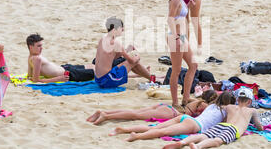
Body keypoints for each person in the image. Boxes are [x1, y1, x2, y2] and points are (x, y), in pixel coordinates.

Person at [164, 87, 264, 149]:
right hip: (233, 130)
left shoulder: (230, 107)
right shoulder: (252, 111)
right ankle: (198, 146)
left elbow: (218, 106)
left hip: (222, 125)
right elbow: (259, 126)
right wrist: (259, 127)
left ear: (238, 99)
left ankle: (182, 142)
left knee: (203, 136)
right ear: (250, 101)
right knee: (217, 141)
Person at [109, 91, 235, 142]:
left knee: (156, 127)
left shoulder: (211, 106)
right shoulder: (226, 110)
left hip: (187, 119)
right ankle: (136, 136)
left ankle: (123, 129)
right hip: (194, 125)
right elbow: (227, 123)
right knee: (163, 131)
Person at [87, 90, 218, 125]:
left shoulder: (196, 100)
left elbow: (186, 99)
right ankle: (106, 116)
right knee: (135, 116)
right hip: (170, 114)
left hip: (166, 107)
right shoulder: (205, 106)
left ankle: (103, 111)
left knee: (135, 112)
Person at [167, 0, 199, 111]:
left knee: (193, 65)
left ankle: (186, 98)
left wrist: (189, 7)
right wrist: (175, 37)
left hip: (182, 37)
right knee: (176, 70)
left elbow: (182, 17)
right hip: (175, 37)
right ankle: (175, 102)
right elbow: (170, 19)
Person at [94, 16, 152, 88]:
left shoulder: (102, 39)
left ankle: (149, 77)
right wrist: (137, 55)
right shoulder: (116, 43)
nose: (123, 30)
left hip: (99, 80)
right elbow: (132, 61)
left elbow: (113, 57)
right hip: (107, 80)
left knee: (126, 61)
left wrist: (127, 50)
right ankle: (152, 78)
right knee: (134, 61)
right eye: (121, 28)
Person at [27, 33, 96, 83]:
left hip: (66, 69)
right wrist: (58, 79)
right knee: (95, 71)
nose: (41, 48)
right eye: (38, 46)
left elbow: (30, 75)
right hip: (68, 74)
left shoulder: (31, 57)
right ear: (31, 47)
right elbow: (36, 80)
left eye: (41, 45)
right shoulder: (36, 59)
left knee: (93, 67)